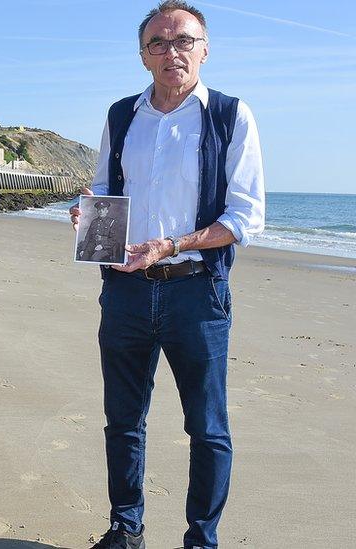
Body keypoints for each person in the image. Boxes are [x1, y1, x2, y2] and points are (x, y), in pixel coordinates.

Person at [69, 2, 264, 548]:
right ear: (143, 55)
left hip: (198, 294)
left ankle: (201, 540)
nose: (171, 51)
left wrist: (170, 244)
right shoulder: (121, 115)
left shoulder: (230, 116)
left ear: (204, 49)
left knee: (207, 430)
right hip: (127, 292)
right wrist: (89, 217)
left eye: (183, 40)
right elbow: (107, 192)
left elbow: (244, 218)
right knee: (123, 422)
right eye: (158, 42)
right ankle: (124, 530)